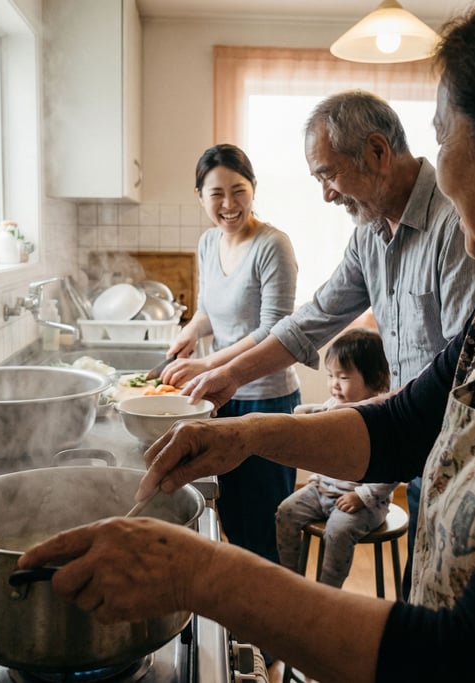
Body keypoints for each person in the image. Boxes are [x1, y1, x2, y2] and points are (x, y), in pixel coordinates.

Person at [18, 0, 475, 680]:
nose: (441, 169)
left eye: (444, 138)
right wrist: (246, 436)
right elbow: (402, 424)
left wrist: (199, 573)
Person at [166, 89, 475, 596]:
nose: (326, 194)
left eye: (328, 173)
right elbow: (314, 317)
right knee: (421, 593)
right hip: (414, 447)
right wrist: (226, 376)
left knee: (448, 607)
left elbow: (465, 373)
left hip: (462, 454)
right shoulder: (370, 230)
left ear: (376, 152)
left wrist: (311, 420)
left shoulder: (454, 225)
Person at [160, 143, 301, 563]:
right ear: (200, 196)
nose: (228, 204)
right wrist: (189, 333)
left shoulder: (273, 245)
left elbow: (273, 329)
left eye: (238, 190)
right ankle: (242, 622)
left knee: (263, 527)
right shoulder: (209, 243)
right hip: (220, 396)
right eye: (216, 193)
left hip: (267, 401)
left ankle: (270, 622)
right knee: (232, 515)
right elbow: (209, 309)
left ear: (253, 188)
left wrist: (206, 362)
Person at [276, 328, 398, 589]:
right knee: (286, 512)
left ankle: (327, 591)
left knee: (338, 531)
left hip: (364, 502)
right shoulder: (333, 404)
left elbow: (393, 466)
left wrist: (362, 496)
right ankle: (291, 579)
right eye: (331, 376)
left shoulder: (381, 413)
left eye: (343, 377)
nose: (334, 384)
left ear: (375, 378)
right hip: (323, 489)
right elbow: (319, 426)